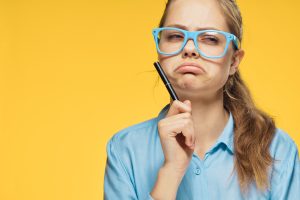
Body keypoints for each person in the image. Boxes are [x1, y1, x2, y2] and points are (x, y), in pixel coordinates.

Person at [104, 0, 300, 199]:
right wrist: (171, 170)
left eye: (210, 38)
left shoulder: (277, 149)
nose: (189, 48)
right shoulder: (125, 149)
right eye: (175, 35)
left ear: (234, 61)